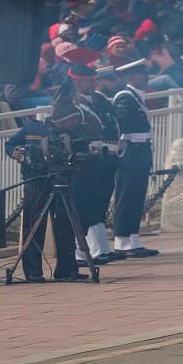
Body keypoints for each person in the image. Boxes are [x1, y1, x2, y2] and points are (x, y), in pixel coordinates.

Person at [51, 64, 122, 264]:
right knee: (81, 207)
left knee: (98, 204)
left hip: (104, 158)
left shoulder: (98, 100)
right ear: (78, 82)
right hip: (86, 160)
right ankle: (79, 253)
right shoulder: (71, 104)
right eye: (91, 80)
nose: (95, 83)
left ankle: (100, 248)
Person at [5, 118, 85, 282]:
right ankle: (33, 272)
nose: (73, 123)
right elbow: (10, 145)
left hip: (60, 179)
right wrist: (18, 153)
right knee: (34, 226)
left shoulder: (72, 134)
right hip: (35, 181)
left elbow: (80, 155)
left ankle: (67, 269)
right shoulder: (31, 128)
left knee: (65, 224)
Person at [105, 61, 159, 257]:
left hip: (141, 149)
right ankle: (122, 239)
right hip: (130, 151)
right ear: (130, 77)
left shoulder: (135, 96)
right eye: (141, 74)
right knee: (126, 195)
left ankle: (132, 237)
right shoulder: (125, 97)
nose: (145, 77)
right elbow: (121, 125)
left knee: (137, 194)